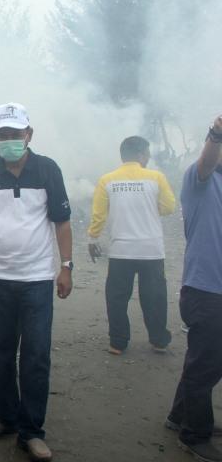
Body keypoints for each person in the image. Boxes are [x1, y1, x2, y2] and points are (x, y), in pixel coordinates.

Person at [0, 103, 72, 462]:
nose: (9, 140)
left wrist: (66, 267)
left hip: (37, 279)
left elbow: (62, 221)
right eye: (3, 134)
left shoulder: (47, 169)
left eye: (16, 133)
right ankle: (5, 416)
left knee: (37, 355)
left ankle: (32, 431)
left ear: (29, 134)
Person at [165, 117, 222, 462]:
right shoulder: (200, 180)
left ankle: (178, 415)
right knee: (206, 363)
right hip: (206, 291)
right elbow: (206, 161)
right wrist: (217, 134)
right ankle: (195, 433)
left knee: (206, 359)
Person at [88, 136, 175, 355]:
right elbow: (168, 208)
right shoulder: (156, 177)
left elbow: (98, 215)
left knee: (117, 296)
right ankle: (158, 340)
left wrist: (93, 238)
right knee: (154, 296)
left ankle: (118, 342)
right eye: (147, 154)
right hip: (151, 250)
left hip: (121, 250)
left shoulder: (107, 180)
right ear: (140, 155)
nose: (148, 157)